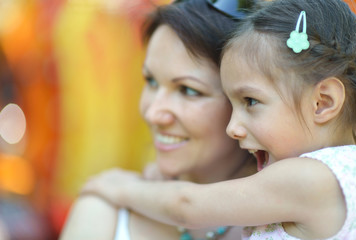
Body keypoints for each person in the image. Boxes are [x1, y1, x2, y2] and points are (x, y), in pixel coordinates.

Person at [80, 0, 356, 239]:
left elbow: (186, 205)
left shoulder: (309, 179)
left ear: (323, 103)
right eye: (150, 81)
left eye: (250, 101)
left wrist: (123, 187)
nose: (233, 127)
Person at [60, 0, 257, 239]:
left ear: (248, 101)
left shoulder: (294, 215)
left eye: (188, 90)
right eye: (151, 81)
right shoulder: (106, 207)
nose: (153, 113)